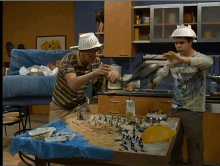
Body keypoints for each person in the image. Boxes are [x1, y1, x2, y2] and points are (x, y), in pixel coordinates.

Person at [148, 25, 212, 166]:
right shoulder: (172, 60)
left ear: (190, 42)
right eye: (176, 43)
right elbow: (162, 75)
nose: (178, 46)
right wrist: (152, 81)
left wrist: (182, 60)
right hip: (175, 110)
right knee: (174, 146)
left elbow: (208, 62)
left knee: (194, 148)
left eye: (181, 42)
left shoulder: (199, 58)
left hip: (193, 111)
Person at [49, 33, 120, 122]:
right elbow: (73, 84)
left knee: (88, 131)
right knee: (57, 134)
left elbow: (111, 78)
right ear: (81, 51)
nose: (95, 55)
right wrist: (94, 73)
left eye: (96, 51)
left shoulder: (95, 61)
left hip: (80, 105)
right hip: (61, 108)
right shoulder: (68, 60)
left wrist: (115, 74)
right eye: (91, 52)